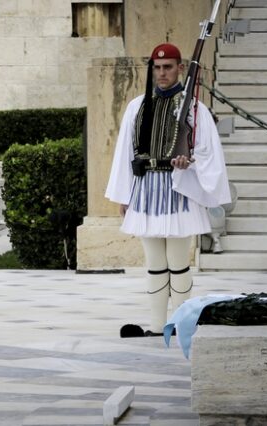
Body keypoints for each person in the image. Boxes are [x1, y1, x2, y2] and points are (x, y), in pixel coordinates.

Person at [105, 43, 231, 336]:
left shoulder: (194, 109)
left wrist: (190, 162)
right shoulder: (137, 106)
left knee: (178, 263)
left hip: (178, 190)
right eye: (157, 68)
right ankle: (157, 326)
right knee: (155, 264)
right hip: (146, 191)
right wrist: (125, 195)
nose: (162, 73)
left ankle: (182, 323)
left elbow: (208, 151)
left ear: (180, 69)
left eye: (168, 67)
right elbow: (125, 152)